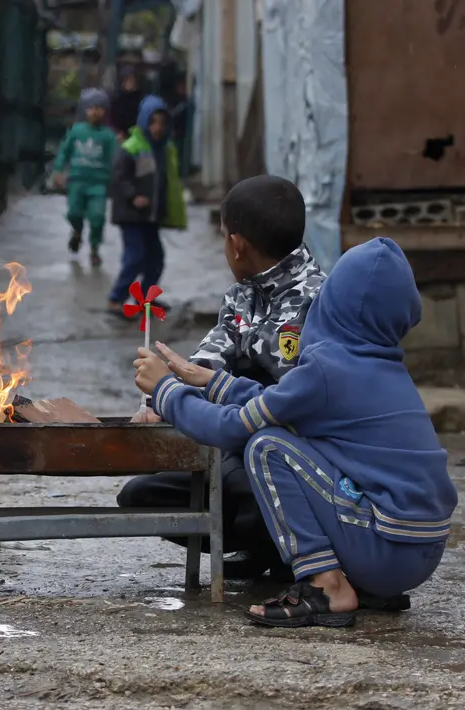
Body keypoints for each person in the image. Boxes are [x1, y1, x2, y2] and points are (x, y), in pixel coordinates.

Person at [134, 237, 457, 628]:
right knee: (292, 440)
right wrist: (212, 381)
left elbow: (231, 428)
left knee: (266, 446)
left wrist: (165, 391)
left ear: (333, 302)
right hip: (419, 550)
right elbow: (281, 400)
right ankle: (356, 581)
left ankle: (326, 586)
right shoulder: (379, 365)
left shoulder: (326, 367)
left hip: (386, 551)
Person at [117, 175, 323, 580]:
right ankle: (263, 547)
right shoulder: (242, 295)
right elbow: (209, 359)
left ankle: (294, 554)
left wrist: (187, 399)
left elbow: (294, 402)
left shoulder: (320, 298)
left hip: (290, 455)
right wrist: (157, 400)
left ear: (237, 244)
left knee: (238, 478)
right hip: (234, 441)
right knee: (140, 495)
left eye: (225, 235)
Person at [107, 95, 186, 315]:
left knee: (156, 259)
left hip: (151, 215)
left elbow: (168, 181)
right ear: (143, 121)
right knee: (135, 257)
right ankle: (116, 298)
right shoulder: (132, 147)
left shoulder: (165, 149)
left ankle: (144, 300)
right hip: (131, 214)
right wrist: (134, 196)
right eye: (153, 122)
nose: (157, 128)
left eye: (162, 122)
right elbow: (118, 178)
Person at [53, 88, 118, 266]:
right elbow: (64, 152)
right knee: (74, 212)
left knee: (97, 217)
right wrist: (58, 170)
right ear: (85, 110)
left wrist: (117, 178)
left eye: (100, 108)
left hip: (98, 184)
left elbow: (115, 159)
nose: (96, 112)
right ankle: (77, 231)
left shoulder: (108, 136)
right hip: (77, 181)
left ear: (105, 111)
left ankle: (94, 249)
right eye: (92, 108)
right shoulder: (76, 131)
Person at [108, 66, 144, 139]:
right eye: (126, 80)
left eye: (132, 80)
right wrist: (117, 132)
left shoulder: (142, 100)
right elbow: (111, 120)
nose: (129, 83)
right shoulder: (116, 100)